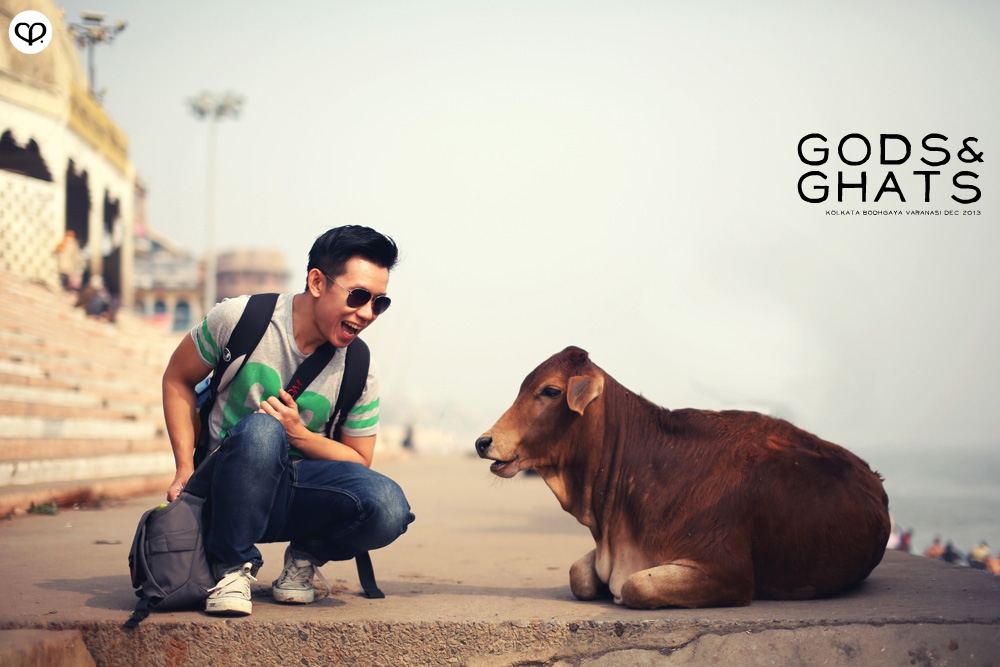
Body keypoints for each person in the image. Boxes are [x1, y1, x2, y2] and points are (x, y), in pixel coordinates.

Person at [161, 225, 415, 616]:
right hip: (224, 490)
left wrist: (299, 434)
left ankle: (304, 557)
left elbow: (358, 460)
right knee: (262, 432)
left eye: (379, 303)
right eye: (358, 296)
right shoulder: (241, 319)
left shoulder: (360, 367)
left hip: (296, 494)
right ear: (317, 282)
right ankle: (230, 566)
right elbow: (177, 378)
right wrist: (183, 468)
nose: (366, 313)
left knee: (390, 506)